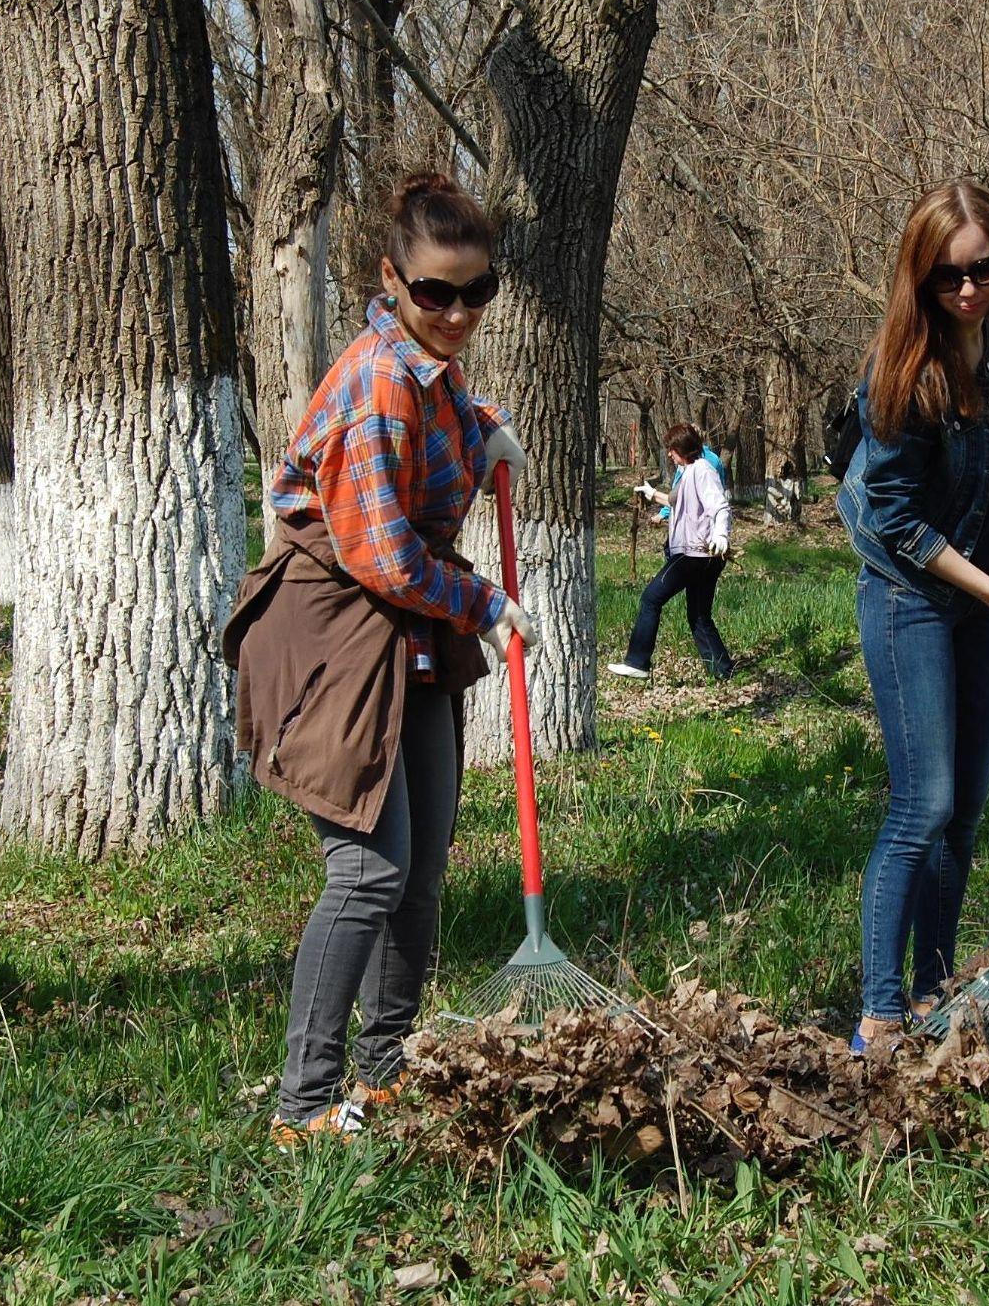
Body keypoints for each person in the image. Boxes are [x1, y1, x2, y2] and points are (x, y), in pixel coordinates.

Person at [224, 172, 535, 1145]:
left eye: (474, 293)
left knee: (423, 869)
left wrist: (485, 430)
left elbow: (443, 423)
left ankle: (386, 1071)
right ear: (389, 280)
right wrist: (487, 604)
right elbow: (381, 554)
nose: (454, 312)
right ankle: (305, 1105)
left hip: (407, 639)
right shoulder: (375, 382)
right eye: (433, 292)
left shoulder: (428, 374)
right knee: (366, 873)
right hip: (335, 635)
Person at [836, 179, 989, 1053]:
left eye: (985, 270)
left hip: (976, 597)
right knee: (920, 805)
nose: (968, 290)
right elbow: (895, 514)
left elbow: (970, 480)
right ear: (919, 280)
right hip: (911, 600)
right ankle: (880, 1012)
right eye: (947, 277)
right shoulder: (903, 370)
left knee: (963, 812)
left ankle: (934, 989)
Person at [608, 421, 734, 681]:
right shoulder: (690, 471)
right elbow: (677, 501)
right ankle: (723, 672)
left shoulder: (702, 471)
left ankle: (638, 661)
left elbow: (720, 506)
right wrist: (652, 493)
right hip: (704, 556)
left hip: (694, 554)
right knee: (699, 616)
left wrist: (721, 533)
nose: (669, 454)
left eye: (672, 448)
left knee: (651, 598)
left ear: (683, 448)